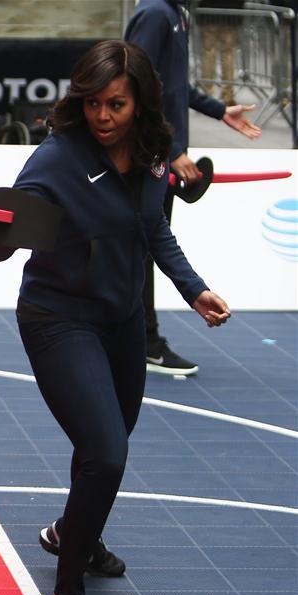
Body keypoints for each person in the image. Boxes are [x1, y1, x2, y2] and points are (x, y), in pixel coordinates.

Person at [0, 40, 231, 595]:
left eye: (115, 102)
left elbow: (153, 229)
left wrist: (194, 289)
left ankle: (75, 535)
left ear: (140, 102)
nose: (102, 115)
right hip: (59, 319)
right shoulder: (56, 159)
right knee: (106, 450)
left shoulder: (148, 155)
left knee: (108, 443)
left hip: (120, 323)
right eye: (92, 103)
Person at [124, 0, 257, 375]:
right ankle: (143, 342)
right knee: (143, 247)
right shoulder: (156, 13)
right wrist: (172, 149)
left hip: (159, 155)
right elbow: (136, 82)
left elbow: (174, 85)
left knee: (144, 248)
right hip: (149, 156)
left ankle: (139, 340)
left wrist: (219, 110)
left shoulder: (175, 13)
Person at [197, 0, 245, 105]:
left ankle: (207, 92)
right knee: (228, 53)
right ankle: (228, 94)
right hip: (231, 14)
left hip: (208, 12)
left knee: (208, 52)